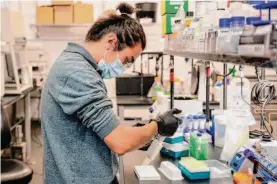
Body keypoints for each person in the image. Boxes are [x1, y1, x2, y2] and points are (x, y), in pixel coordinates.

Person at [41, 3, 182, 184]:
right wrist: (158, 125)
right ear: (111, 42)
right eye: (127, 60)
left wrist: (141, 134)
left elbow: (101, 128)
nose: (124, 69)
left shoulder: (80, 65)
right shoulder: (77, 73)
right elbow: (120, 142)